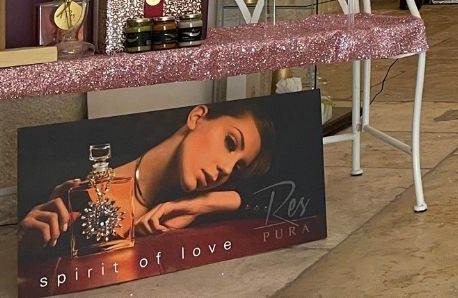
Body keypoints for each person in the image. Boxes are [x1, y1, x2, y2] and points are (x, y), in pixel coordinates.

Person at [19, 102, 275, 250]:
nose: (227, 169)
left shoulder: (184, 221)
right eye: (230, 143)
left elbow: (284, 195)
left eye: (237, 168)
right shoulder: (75, 166)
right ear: (198, 117)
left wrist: (206, 203)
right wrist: (27, 242)